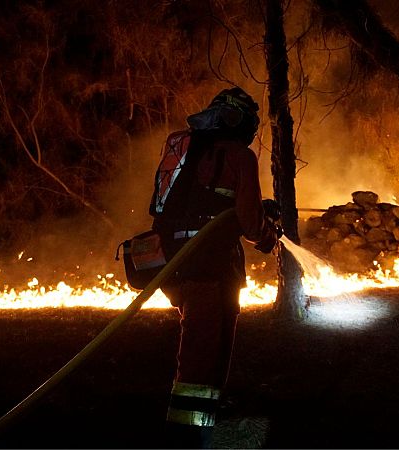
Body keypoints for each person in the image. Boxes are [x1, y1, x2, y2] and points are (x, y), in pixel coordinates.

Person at [148, 86, 280, 448]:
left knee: (206, 345)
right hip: (211, 266)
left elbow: (178, 205)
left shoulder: (181, 146)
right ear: (239, 122)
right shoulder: (239, 155)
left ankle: (206, 416)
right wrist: (269, 235)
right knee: (205, 351)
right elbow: (252, 226)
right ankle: (185, 438)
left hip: (173, 261)